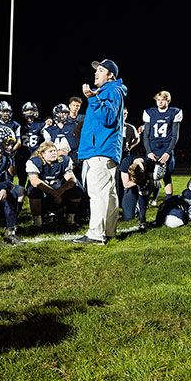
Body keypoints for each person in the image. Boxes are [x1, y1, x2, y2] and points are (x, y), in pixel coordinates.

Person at [72, 59, 127, 245]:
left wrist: (92, 98)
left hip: (100, 149)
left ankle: (96, 234)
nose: (96, 73)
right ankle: (109, 231)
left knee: (97, 193)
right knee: (108, 193)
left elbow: (108, 118)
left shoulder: (111, 90)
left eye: (101, 70)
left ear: (110, 75)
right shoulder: (110, 91)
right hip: (104, 149)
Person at [25, 141, 83, 228]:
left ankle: (70, 219)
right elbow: (35, 181)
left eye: (55, 151)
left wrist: (60, 190)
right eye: (50, 151)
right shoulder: (34, 162)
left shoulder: (64, 161)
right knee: (34, 191)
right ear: (42, 154)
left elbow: (71, 180)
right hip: (43, 191)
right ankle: (37, 222)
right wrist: (53, 192)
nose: (54, 153)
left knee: (77, 190)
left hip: (59, 190)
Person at [142, 90, 183, 202]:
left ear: (167, 100)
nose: (160, 102)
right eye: (158, 100)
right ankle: (147, 200)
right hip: (153, 147)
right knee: (149, 175)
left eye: (162, 100)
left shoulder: (174, 112)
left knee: (166, 176)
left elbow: (175, 136)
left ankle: (169, 201)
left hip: (166, 147)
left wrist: (168, 152)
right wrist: (149, 151)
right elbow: (146, 135)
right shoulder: (150, 112)